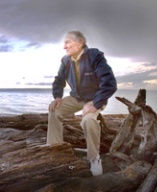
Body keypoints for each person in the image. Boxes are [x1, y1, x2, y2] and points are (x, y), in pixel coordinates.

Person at [47, 31, 117, 176]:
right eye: (64, 43)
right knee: (54, 110)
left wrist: (95, 104)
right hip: (76, 98)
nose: (64, 46)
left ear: (80, 43)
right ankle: (56, 151)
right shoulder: (66, 60)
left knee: (89, 120)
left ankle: (94, 158)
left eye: (67, 42)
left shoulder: (94, 56)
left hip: (95, 97)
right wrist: (58, 97)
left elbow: (109, 83)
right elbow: (59, 80)